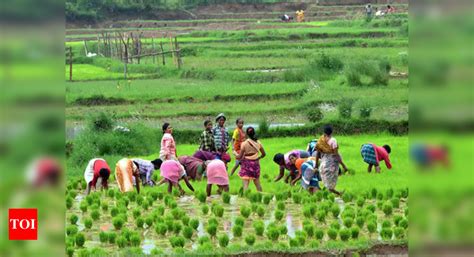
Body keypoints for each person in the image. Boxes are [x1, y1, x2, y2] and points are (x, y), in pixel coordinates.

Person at [315, 125, 344, 196]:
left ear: (324, 132)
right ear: (331, 132)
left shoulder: (321, 140)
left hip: (323, 164)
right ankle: (334, 194)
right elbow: (336, 154)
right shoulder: (333, 140)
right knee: (331, 182)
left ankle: (334, 194)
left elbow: (317, 153)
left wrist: (316, 165)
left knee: (327, 182)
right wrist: (344, 165)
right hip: (331, 164)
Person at [235, 127, 266, 191]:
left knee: (245, 183)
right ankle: (260, 195)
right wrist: (258, 158)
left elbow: (239, 157)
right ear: (254, 133)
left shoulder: (244, 144)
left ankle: (246, 197)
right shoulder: (258, 143)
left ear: (246, 134)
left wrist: (234, 153)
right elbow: (264, 154)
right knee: (257, 183)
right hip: (256, 164)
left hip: (247, 164)